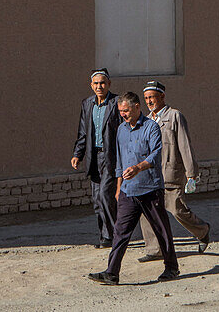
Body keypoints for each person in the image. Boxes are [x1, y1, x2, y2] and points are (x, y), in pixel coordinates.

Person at [88, 92, 179, 285]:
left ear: (137, 107)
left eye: (126, 110)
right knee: (120, 232)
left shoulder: (151, 127)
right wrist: (119, 187)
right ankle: (112, 273)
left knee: (161, 229)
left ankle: (171, 267)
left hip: (150, 188)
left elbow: (156, 155)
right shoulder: (121, 129)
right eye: (121, 111)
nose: (123, 114)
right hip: (128, 191)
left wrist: (138, 167)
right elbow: (120, 161)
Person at [137, 80, 211, 262]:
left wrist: (191, 173)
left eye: (152, 97)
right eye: (146, 98)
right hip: (150, 175)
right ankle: (155, 249)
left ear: (162, 96)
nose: (149, 101)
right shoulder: (146, 120)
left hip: (171, 173)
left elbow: (185, 145)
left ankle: (202, 230)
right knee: (147, 212)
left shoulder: (175, 116)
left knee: (177, 210)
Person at [71, 69, 119, 248]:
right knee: (97, 198)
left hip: (111, 157)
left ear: (109, 84)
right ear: (91, 85)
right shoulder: (87, 104)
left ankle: (113, 236)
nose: (99, 86)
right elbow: (83, 132)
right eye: (96, 83)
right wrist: (78, 154)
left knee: (107, 195)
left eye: (103, 83)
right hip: (94, 157)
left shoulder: (115, 103)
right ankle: (104, 234)